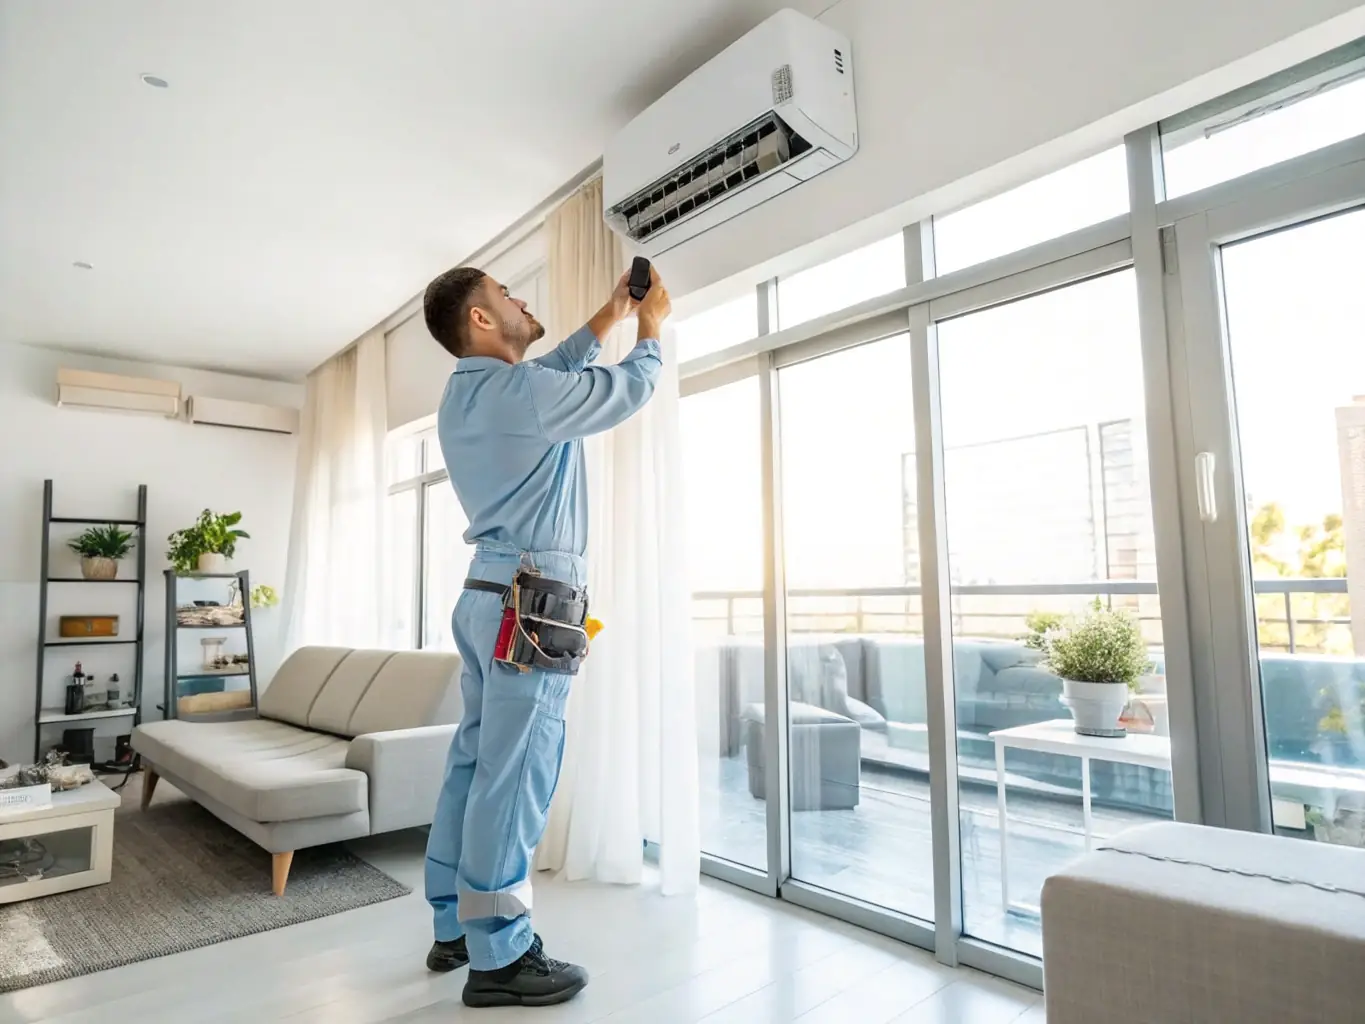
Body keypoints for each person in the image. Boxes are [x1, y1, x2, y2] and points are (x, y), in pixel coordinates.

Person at [419, 262, 671, 1008]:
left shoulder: (471, 394)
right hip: (532, 598)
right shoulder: (521, 393)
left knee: (473, 762)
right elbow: (626, 390)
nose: (523, 300)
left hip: (488, 594)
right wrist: (650, 325)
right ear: (481, 322)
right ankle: (499, 956)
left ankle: (454, 926)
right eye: (507, 296)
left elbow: (556, 369)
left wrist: (605, 316)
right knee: (516, 770)